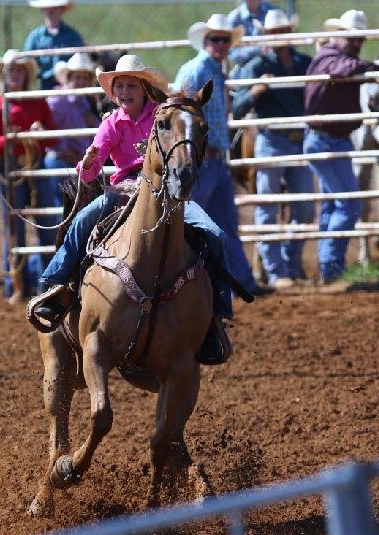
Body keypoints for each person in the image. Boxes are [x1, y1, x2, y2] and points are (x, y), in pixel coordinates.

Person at [31, 54, 254, 364]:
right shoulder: (111, 123)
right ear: (113, 93)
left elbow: (181, 148)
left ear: (145, 90)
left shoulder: (162, 116)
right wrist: (90, 162)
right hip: (123, 191)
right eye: (119, 86)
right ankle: (54, 287)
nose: (124, 91)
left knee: (215, 233)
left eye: (131, 85)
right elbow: (90, 174)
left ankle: (217, 315)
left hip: (164, 193)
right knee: (81, 222)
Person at [174, 14, 266, 299]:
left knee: (223, 225)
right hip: (201, 160)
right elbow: (179, 109)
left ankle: (241, 283)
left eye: (225, 39)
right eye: (216, 39)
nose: (221, 44)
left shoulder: (212, 68)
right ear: (206, 41)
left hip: (214, 159)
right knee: (196, 224)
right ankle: (188, 285)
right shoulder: (198, 68)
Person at [231, 9, 313, 289]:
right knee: (267, 206)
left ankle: (290, 263)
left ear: (290, 34)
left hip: (298, 140)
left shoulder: (305, 63)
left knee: (303, 209)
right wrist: (255, 91)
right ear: (267, 35)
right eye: (274, 32)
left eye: (283, 32)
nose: (280, 36)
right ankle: (276, 271)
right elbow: (238, 107)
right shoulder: (257, 65)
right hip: (271, 139)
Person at [304, 10, 379, 284]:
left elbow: (347, 67)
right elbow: (341, 69)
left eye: (359, 38)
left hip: (333, 139)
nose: (356, 42)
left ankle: (329, 269)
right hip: (325, 139)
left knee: (333, 205)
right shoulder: (328, 57)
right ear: (338, 34)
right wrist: (373, 69)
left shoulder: (337, 57)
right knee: (349, 203)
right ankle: (331, 263)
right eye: (351, 37)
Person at [0, 49, 58, 300]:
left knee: (46, 224)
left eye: (20, 70)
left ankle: (48, 285)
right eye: (11, 70)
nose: (15, 75)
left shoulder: (37, 102)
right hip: (7, 168)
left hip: (36, 165)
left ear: (25, 74)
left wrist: (40, 132)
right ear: (4, 74)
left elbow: (52, 136)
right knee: (15, 228)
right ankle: (15, 285)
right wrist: (8, 140)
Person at [43, 53, 100, 234]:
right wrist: (67, 152)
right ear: (69, 78)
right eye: (77, 77)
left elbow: (94, 127)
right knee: (62, 209)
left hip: (78, 161)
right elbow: (47, 131)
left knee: (75, 209)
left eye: (85, 77)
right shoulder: (56, 100)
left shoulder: (82, 101)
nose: (81, 81)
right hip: (60, 159)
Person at [23, 0, 85, 90]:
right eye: (47, 7)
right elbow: (27, 60)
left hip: (69, 84)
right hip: (44, 82)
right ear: (42, 10)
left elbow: (80, 59)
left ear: (62, 9)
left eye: (55, 7)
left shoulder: (73, 35)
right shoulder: (35, 36)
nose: (50, 10)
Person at [226, 0, 280, 69]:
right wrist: (259, 49)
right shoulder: (234, 18)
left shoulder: (274, 11)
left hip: (276, 63)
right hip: (245, 67)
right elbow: (233, 55)